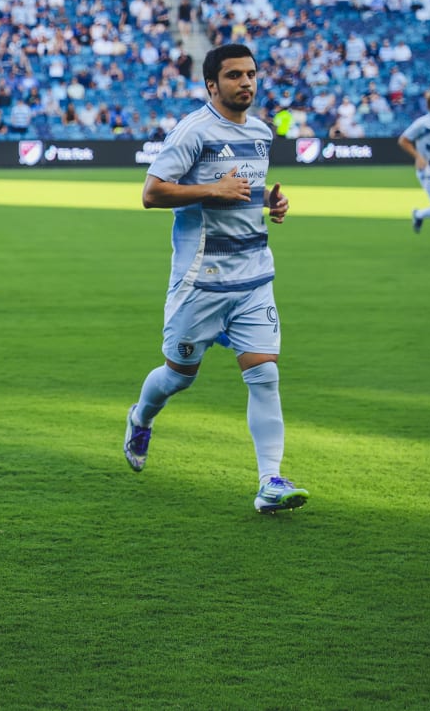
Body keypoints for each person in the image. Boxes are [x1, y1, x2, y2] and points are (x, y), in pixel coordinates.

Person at [124, 43, 309, 513]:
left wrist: (269, 200)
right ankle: (141, 417)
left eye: (250, 74)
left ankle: (270, 482)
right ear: (212, 84)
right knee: (178, 376)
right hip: (200, 282)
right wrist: (213, 189)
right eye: (234, 76)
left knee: (265, 375)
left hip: (253, 277)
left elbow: (241, 190)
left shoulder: (263, 133)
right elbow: (151, 194)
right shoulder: (193, 131)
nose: (246, 82)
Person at [397, 86, 430, 233]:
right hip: (428, 170)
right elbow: (403, 140)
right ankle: (418, 214)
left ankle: (418, 214)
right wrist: (418, 157)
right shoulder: (423, 123)